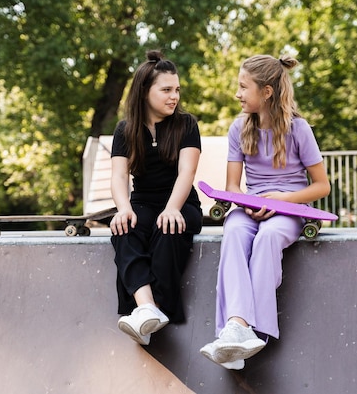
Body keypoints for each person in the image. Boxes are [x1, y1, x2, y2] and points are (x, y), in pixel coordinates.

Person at [199, 55, 331, 370]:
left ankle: (253, 332)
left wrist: (283, 199)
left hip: (291, 207)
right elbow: (232, 186)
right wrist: (249, 204)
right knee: (232, 231)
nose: (238, 94)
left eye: (244, 87)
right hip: (251, 205)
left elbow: (322, 186)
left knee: (268, 238)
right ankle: (236, 327)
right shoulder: (238, 128)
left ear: (267, 92)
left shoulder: (299, 129)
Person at [109, 50, 203, 345]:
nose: (174, 96)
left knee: (168, 227)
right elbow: (119, 176)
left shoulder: (186, 125)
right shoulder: (125, 129)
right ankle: (146, 307)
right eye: (166, 90)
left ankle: (155, 312)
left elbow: (186, 173)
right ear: (144, 92)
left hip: (182, 202)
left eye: (176, 90)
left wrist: (173, 208)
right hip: (143, 202)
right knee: (125, 229)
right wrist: (123, 208)